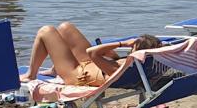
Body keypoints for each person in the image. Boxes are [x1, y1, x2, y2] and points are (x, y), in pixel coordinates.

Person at [25, 23, 161, 87]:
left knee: (46, 31)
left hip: (77, 75)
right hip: (89, 65)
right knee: (65, 28)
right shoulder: (136, 64)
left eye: (133, 47)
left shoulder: (120, 69)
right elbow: (106, 59)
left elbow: (92, 52)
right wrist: (113, 56)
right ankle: (55, 69)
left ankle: (31, 74)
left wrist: (122, 43)